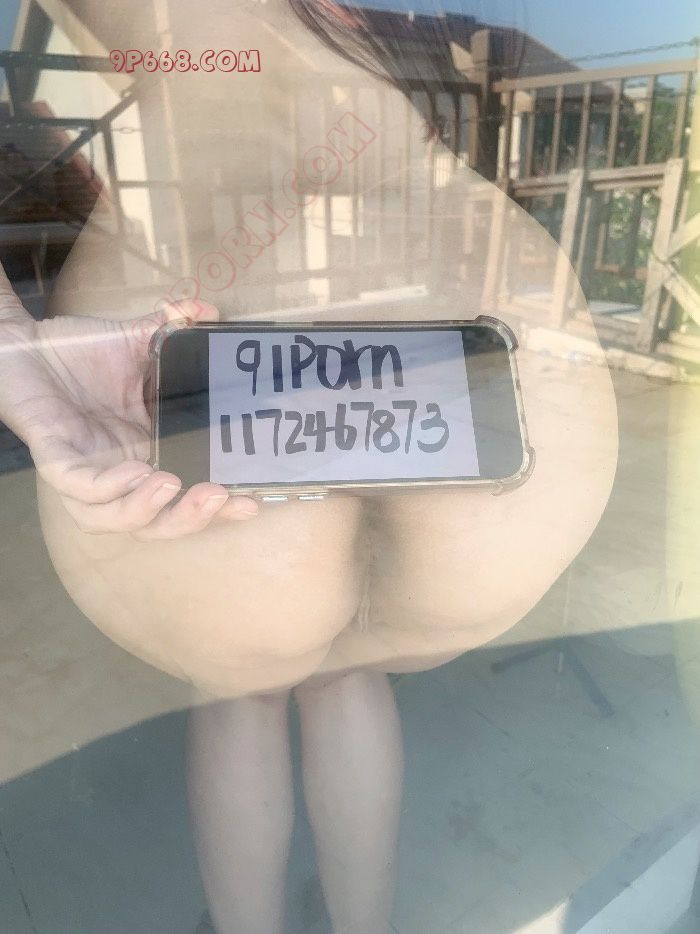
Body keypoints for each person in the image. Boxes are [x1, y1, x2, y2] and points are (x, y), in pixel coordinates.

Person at [0, 1, 618, 931]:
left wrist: (10, 338)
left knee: (239, 691)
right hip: (469, 287)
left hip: (193, 272)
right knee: (350, 675)